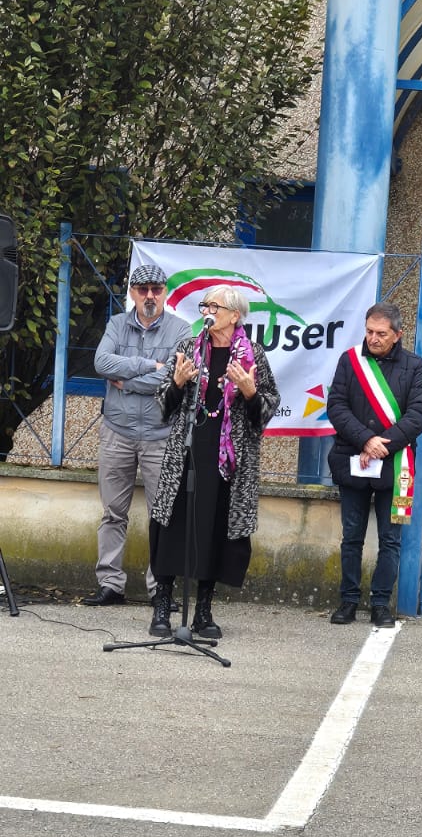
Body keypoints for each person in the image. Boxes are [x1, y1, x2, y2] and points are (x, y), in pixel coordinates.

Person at [148, 284, 279, 640]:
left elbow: (267, 407)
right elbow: (162, 404)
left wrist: (250, 391)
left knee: (214, 529)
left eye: (215, 306)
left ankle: (203, 611)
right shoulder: (189, 347)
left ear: (235, 315)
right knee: (173, 526)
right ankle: (163, 605)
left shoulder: (252, 354)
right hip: (187, 451)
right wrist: (177, 383)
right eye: (204, 305)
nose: (207, 311)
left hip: (228, 460)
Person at [82, 263, 188, 606]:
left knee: (163, 515)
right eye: (143, 290)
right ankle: (111, 584)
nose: (150, 296)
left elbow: (174, 377)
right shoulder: (116, 324)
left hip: (161, 434)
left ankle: (161, 589)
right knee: (113, 512)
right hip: (117, 433)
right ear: (132, 293)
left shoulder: (181, 329)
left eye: (156, 289)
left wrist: (126, 382)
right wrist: (146, 366)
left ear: (165, 293)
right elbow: (101, 363)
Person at [326, 302, 422, 627]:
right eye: (369, 331)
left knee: (390, 540)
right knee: (351, 537)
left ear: (397, 334)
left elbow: (418, 415)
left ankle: (381, 604)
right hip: (353, 459)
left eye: (381, 333)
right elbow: (337, 406)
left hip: (395, 466)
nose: (373, 338)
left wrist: (382, 445)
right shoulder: (350, 361)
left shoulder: (414, 365)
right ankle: (348, 600)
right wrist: (365, 440)